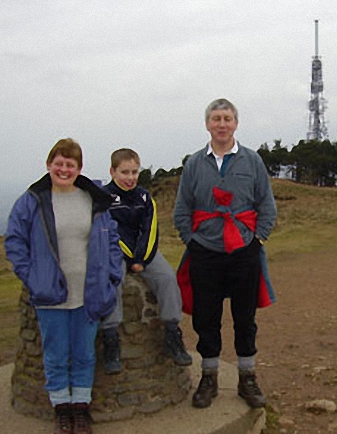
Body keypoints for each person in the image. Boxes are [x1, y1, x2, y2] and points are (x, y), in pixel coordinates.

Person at [5, 138, 123, 434]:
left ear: (79, 168)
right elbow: (15, 241)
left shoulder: (92, 198)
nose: (64, 169)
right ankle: (61, 410)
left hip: (90, 292)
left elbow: (111, 239)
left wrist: (111, 275)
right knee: (56, 355)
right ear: (49, 165)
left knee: (84, 354)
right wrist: (32, 277)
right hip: (50, 293)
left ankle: (80, 409)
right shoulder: (33, 200)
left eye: (70, 164)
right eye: (59, 163)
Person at [174, 98, 277, 409]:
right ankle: (209, 378)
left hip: (244, 252)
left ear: (236, 123)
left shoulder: (252, 161)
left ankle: (247, 379)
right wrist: (191, 241)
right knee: (207, 318)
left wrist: (257, 240)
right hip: (205, 253)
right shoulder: (194, 163)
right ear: (207, 124)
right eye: (216, 118)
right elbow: (182, 209)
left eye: (227, 118)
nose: (222, 124)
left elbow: (266, 206)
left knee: (245, 318)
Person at [100, 148, 192, 373]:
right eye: (124, 172)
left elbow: (150, 230)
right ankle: (111, 341)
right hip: (114, 251)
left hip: (143, 252)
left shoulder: (144, 197)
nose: (130, 177)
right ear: (113, 172)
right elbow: (109, 231)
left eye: (134, 172)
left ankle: (172, 334)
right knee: (112, 281)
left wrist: (141, 258)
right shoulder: (102, 198)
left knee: (168, 278)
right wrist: (129, 258)